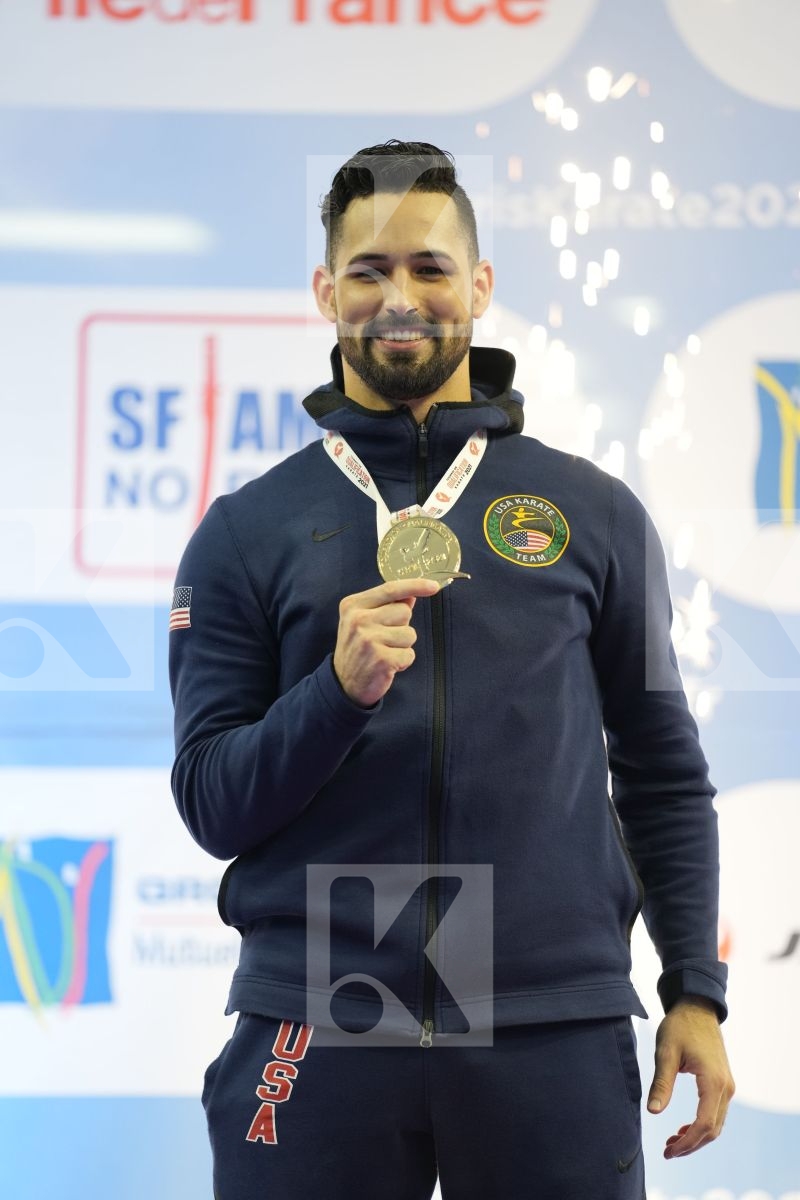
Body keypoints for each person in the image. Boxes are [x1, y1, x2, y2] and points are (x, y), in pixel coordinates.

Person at [168, 139, 735, 1200]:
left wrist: (693, 993)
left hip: (545, 1018)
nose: (399, 297)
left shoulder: (593, 513)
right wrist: (333, 697)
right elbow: (211, 800)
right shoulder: (244, 535)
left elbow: (662, 773)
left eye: (428, 268)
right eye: (369, 271)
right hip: (322, 1010)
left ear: (476, 286)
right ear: (325, 290)